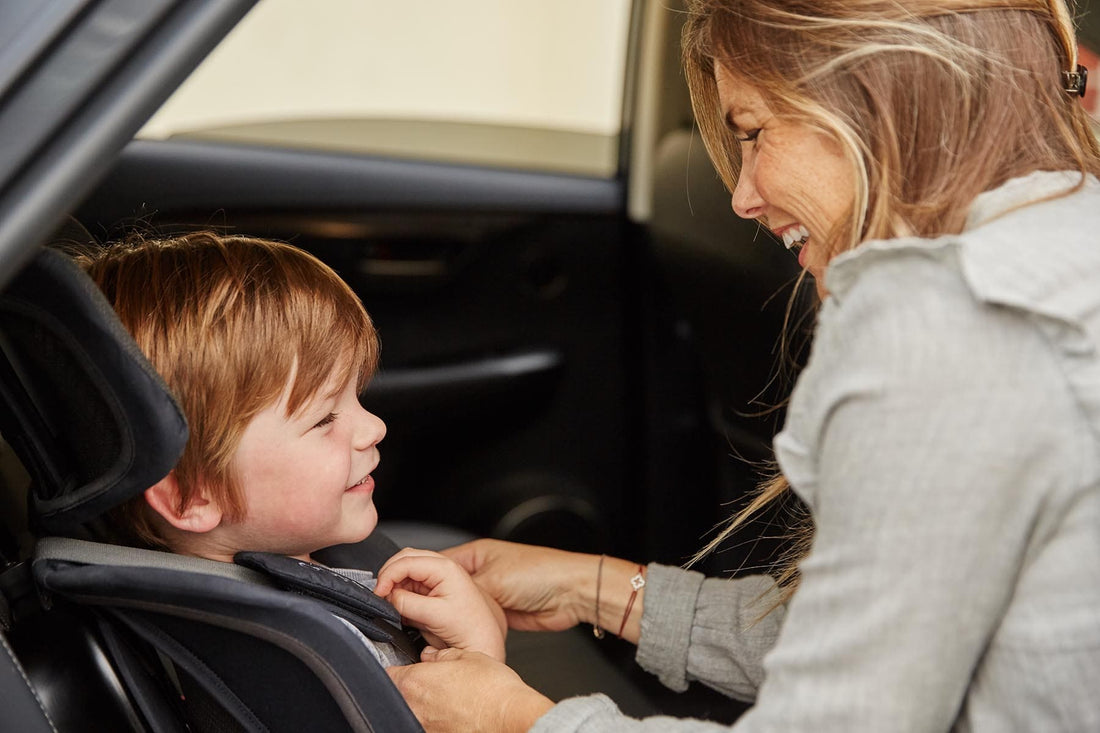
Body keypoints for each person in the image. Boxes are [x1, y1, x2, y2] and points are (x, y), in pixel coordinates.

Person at [384, 0, 1100, 730]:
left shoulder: (945, 325)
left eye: (755, 133)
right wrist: (590, 586)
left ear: (876, 91)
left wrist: (518, 721)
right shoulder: (1067, 244)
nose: (742, 195)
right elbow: (881, 641)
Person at [75, 231, 506, 663]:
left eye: (357, 395)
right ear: (192, 496)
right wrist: (481, 654)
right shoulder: (321, 653)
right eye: (324, 418)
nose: (374, 427)